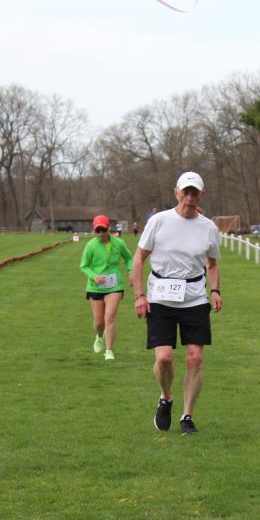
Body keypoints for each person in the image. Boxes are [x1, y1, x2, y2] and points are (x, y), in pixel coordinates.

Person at [132, 171, 222, 435]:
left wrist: (215, 290)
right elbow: (139, 258)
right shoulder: (159, 221)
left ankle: (187, 415)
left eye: (195, 192)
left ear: (201, 195)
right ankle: (166, 397)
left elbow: (213, 263)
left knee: (195, 358)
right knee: (164, 358)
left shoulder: (208, 227)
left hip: (194, 297)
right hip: (161, 295)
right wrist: (139, 295)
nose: (190, 197)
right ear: (177, 193)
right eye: (186, 192)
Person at [80, 215, 133, 361]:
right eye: (98, 230)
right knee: (99, 322)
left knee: (109, 317)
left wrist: (130, 271)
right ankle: (99, 336)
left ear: (108, 228)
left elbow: (128, 258)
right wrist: (94, 276)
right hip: (95, 287)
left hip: (114, 285)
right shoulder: (91, 245)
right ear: (94, 230)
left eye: (103, 230)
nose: (101, 233)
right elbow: (84, 266)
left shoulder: (119, 243)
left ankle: (109, 351)